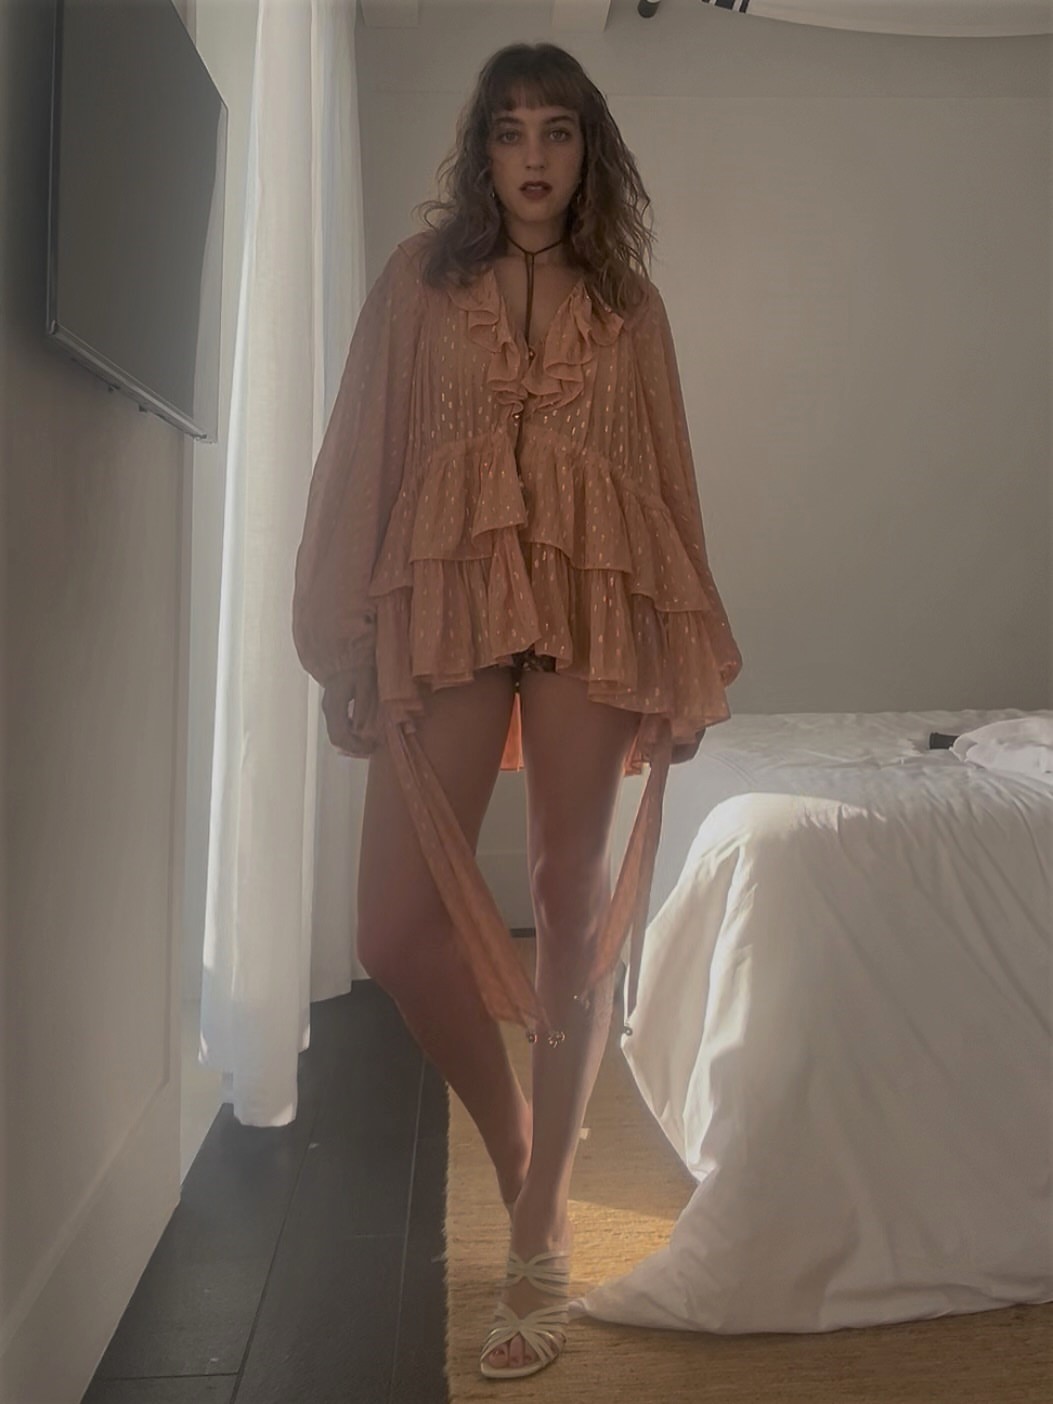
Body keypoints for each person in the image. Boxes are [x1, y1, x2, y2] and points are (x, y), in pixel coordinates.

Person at [291, 41, 742, 1381]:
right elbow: (361, 454)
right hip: (452, 601)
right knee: (392, 926)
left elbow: (665, 482)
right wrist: (345, 641)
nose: (533, 157)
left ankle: (540, 1230)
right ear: (480, 152)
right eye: (509, 131)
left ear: (588, 152)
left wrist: (679, 656)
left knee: (567, 896)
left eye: (556, 131)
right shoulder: (418, 284)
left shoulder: (630, 305)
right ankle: (521, 1150)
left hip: (588, 611)